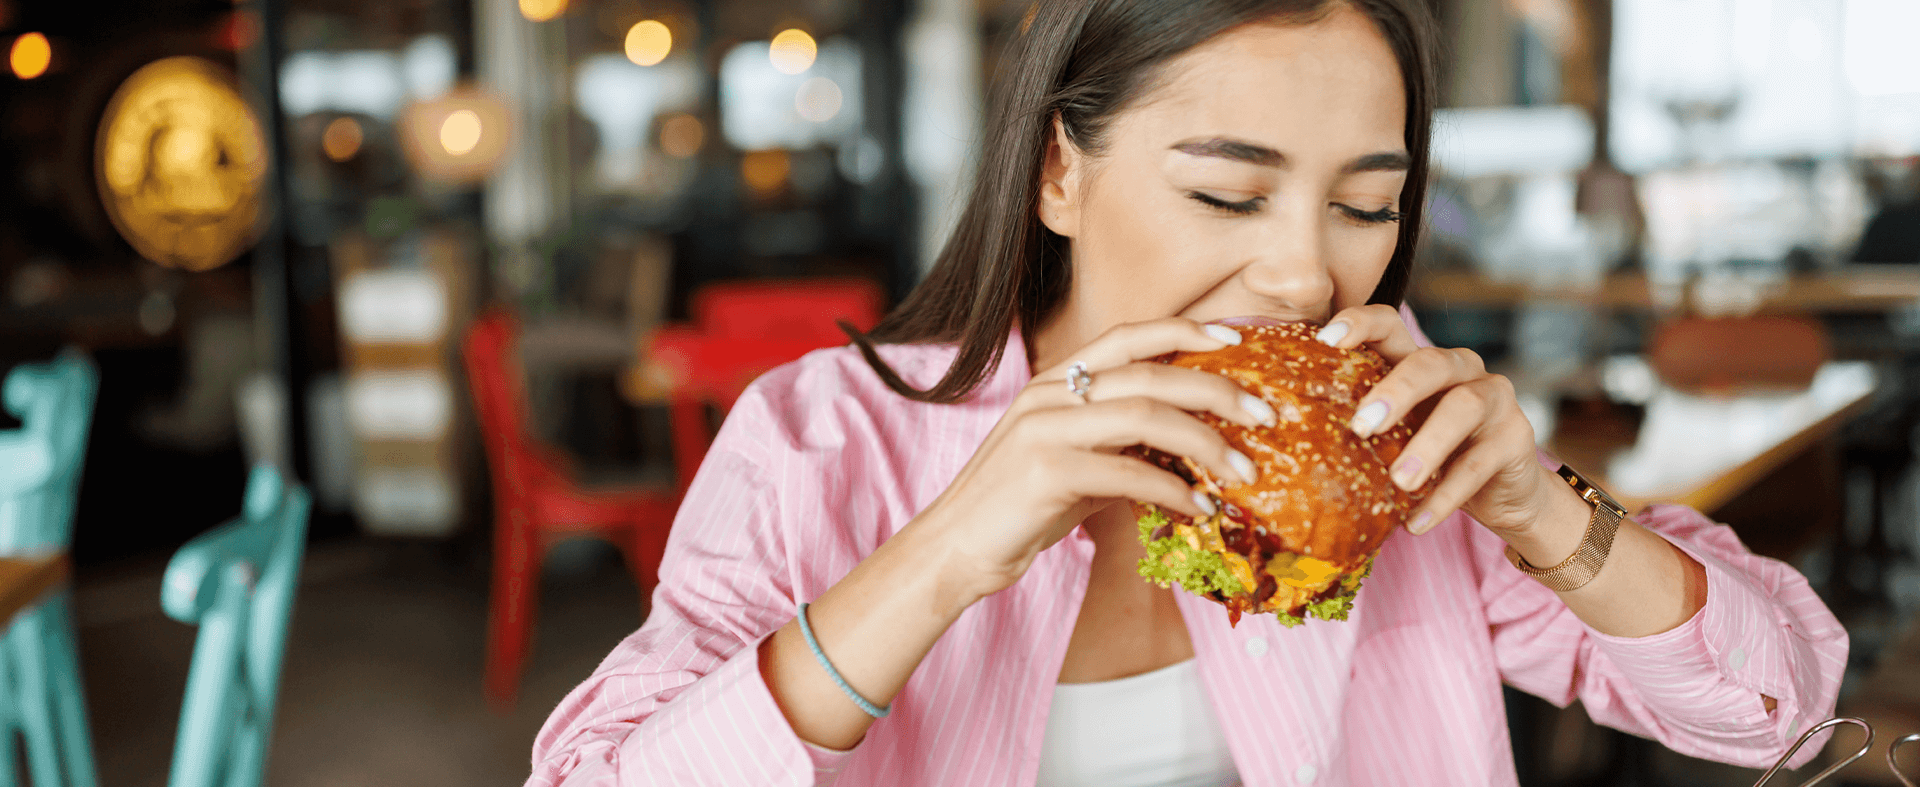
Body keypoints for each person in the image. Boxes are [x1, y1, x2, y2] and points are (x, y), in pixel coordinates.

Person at [527, 0, 1847, 784]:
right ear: (1060, 172)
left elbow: (1773, 709)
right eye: (1227, 192)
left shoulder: (1399, 458)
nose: (1300, 270)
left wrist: (1539, 506)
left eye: (1367, 205)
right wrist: (940, 554)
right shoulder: (825, 441)